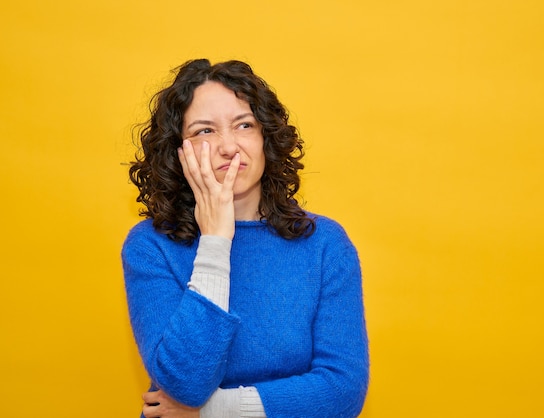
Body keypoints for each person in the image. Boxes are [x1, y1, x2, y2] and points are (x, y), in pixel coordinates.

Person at [122, 58, 369, 418]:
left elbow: (343, 390)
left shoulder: (324, 244)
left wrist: (211, 412)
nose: (228, 146)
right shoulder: (150, 247)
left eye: (244, 125)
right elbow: (185, 383)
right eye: (204, 131)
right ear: (177, 149)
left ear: (266, 136)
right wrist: (215, 242)